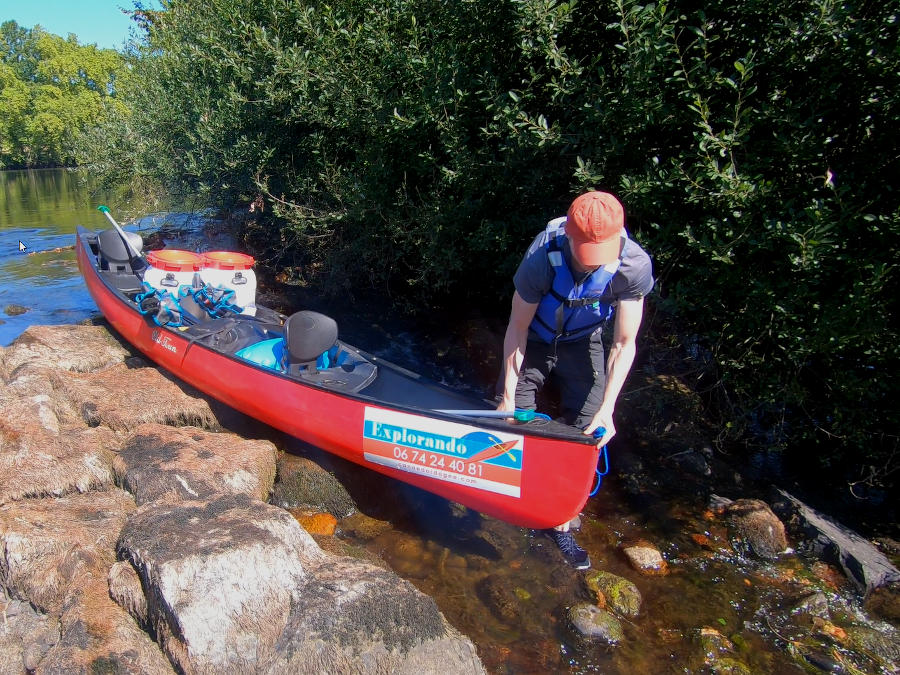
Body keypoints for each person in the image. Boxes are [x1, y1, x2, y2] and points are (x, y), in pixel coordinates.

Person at [497, 191, 654, 569]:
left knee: (587, 430)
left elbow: (623, 342)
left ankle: (561, 520)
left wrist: (608, 410)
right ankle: (512, 498)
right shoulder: (541, 258)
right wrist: (505, 398)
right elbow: (516, 329)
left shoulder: (633, 264)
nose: (591, 263)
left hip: (584, 340)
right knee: (515, 417)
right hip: (536, 335)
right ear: (568, 235)